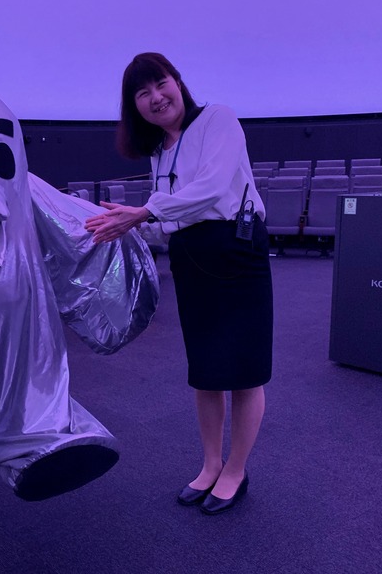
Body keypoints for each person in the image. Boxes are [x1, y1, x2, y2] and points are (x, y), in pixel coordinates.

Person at [84, 52, 272, 515]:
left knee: (244, 370)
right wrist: (121, 224)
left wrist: (144, 212)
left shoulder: (218, 119)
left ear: (178, 81)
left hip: (235, 248)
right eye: (142, 93)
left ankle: (236, 470)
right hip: (191, 258)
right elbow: (168, 220)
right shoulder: (159, 151)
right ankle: (210, 465)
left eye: (160, 83)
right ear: (134, 107)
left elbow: (212, 188)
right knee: (206, 371)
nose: (156, 97)